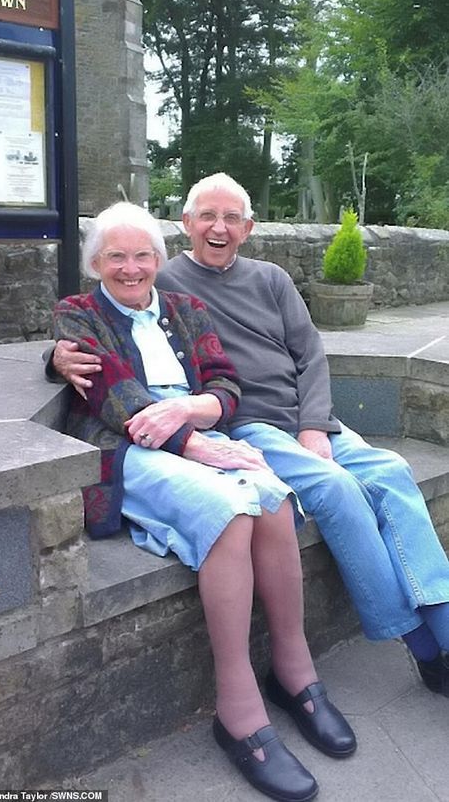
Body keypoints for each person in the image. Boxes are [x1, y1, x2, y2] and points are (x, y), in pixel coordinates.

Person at [51, 175, 449, 700]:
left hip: (308, 418)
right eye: (207, 217)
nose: (219, 228)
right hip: (247, 423)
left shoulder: (271, 278)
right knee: (336, 489)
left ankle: (443, 620)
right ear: (186, 225)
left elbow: (310, 355)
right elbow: (103, 320)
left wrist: (315, 424)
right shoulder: (160, 277)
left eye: (231, 218)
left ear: (248, 228)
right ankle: (419, 641)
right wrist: (55, 356)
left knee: (393, 472)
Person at [51, 201, 357, 802]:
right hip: (131, 448)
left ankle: (295, 674)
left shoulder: (187, 309)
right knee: (233, 509)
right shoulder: (77, 314)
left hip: (200, 432)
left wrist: (197, 411)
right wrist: (191, 441)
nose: (132, 268)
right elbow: (112, 394)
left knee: (271, 497)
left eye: (143, 255)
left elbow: (225, 383)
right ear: (95, 263)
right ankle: (237, 709)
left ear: (158, 261)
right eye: (116, 256)